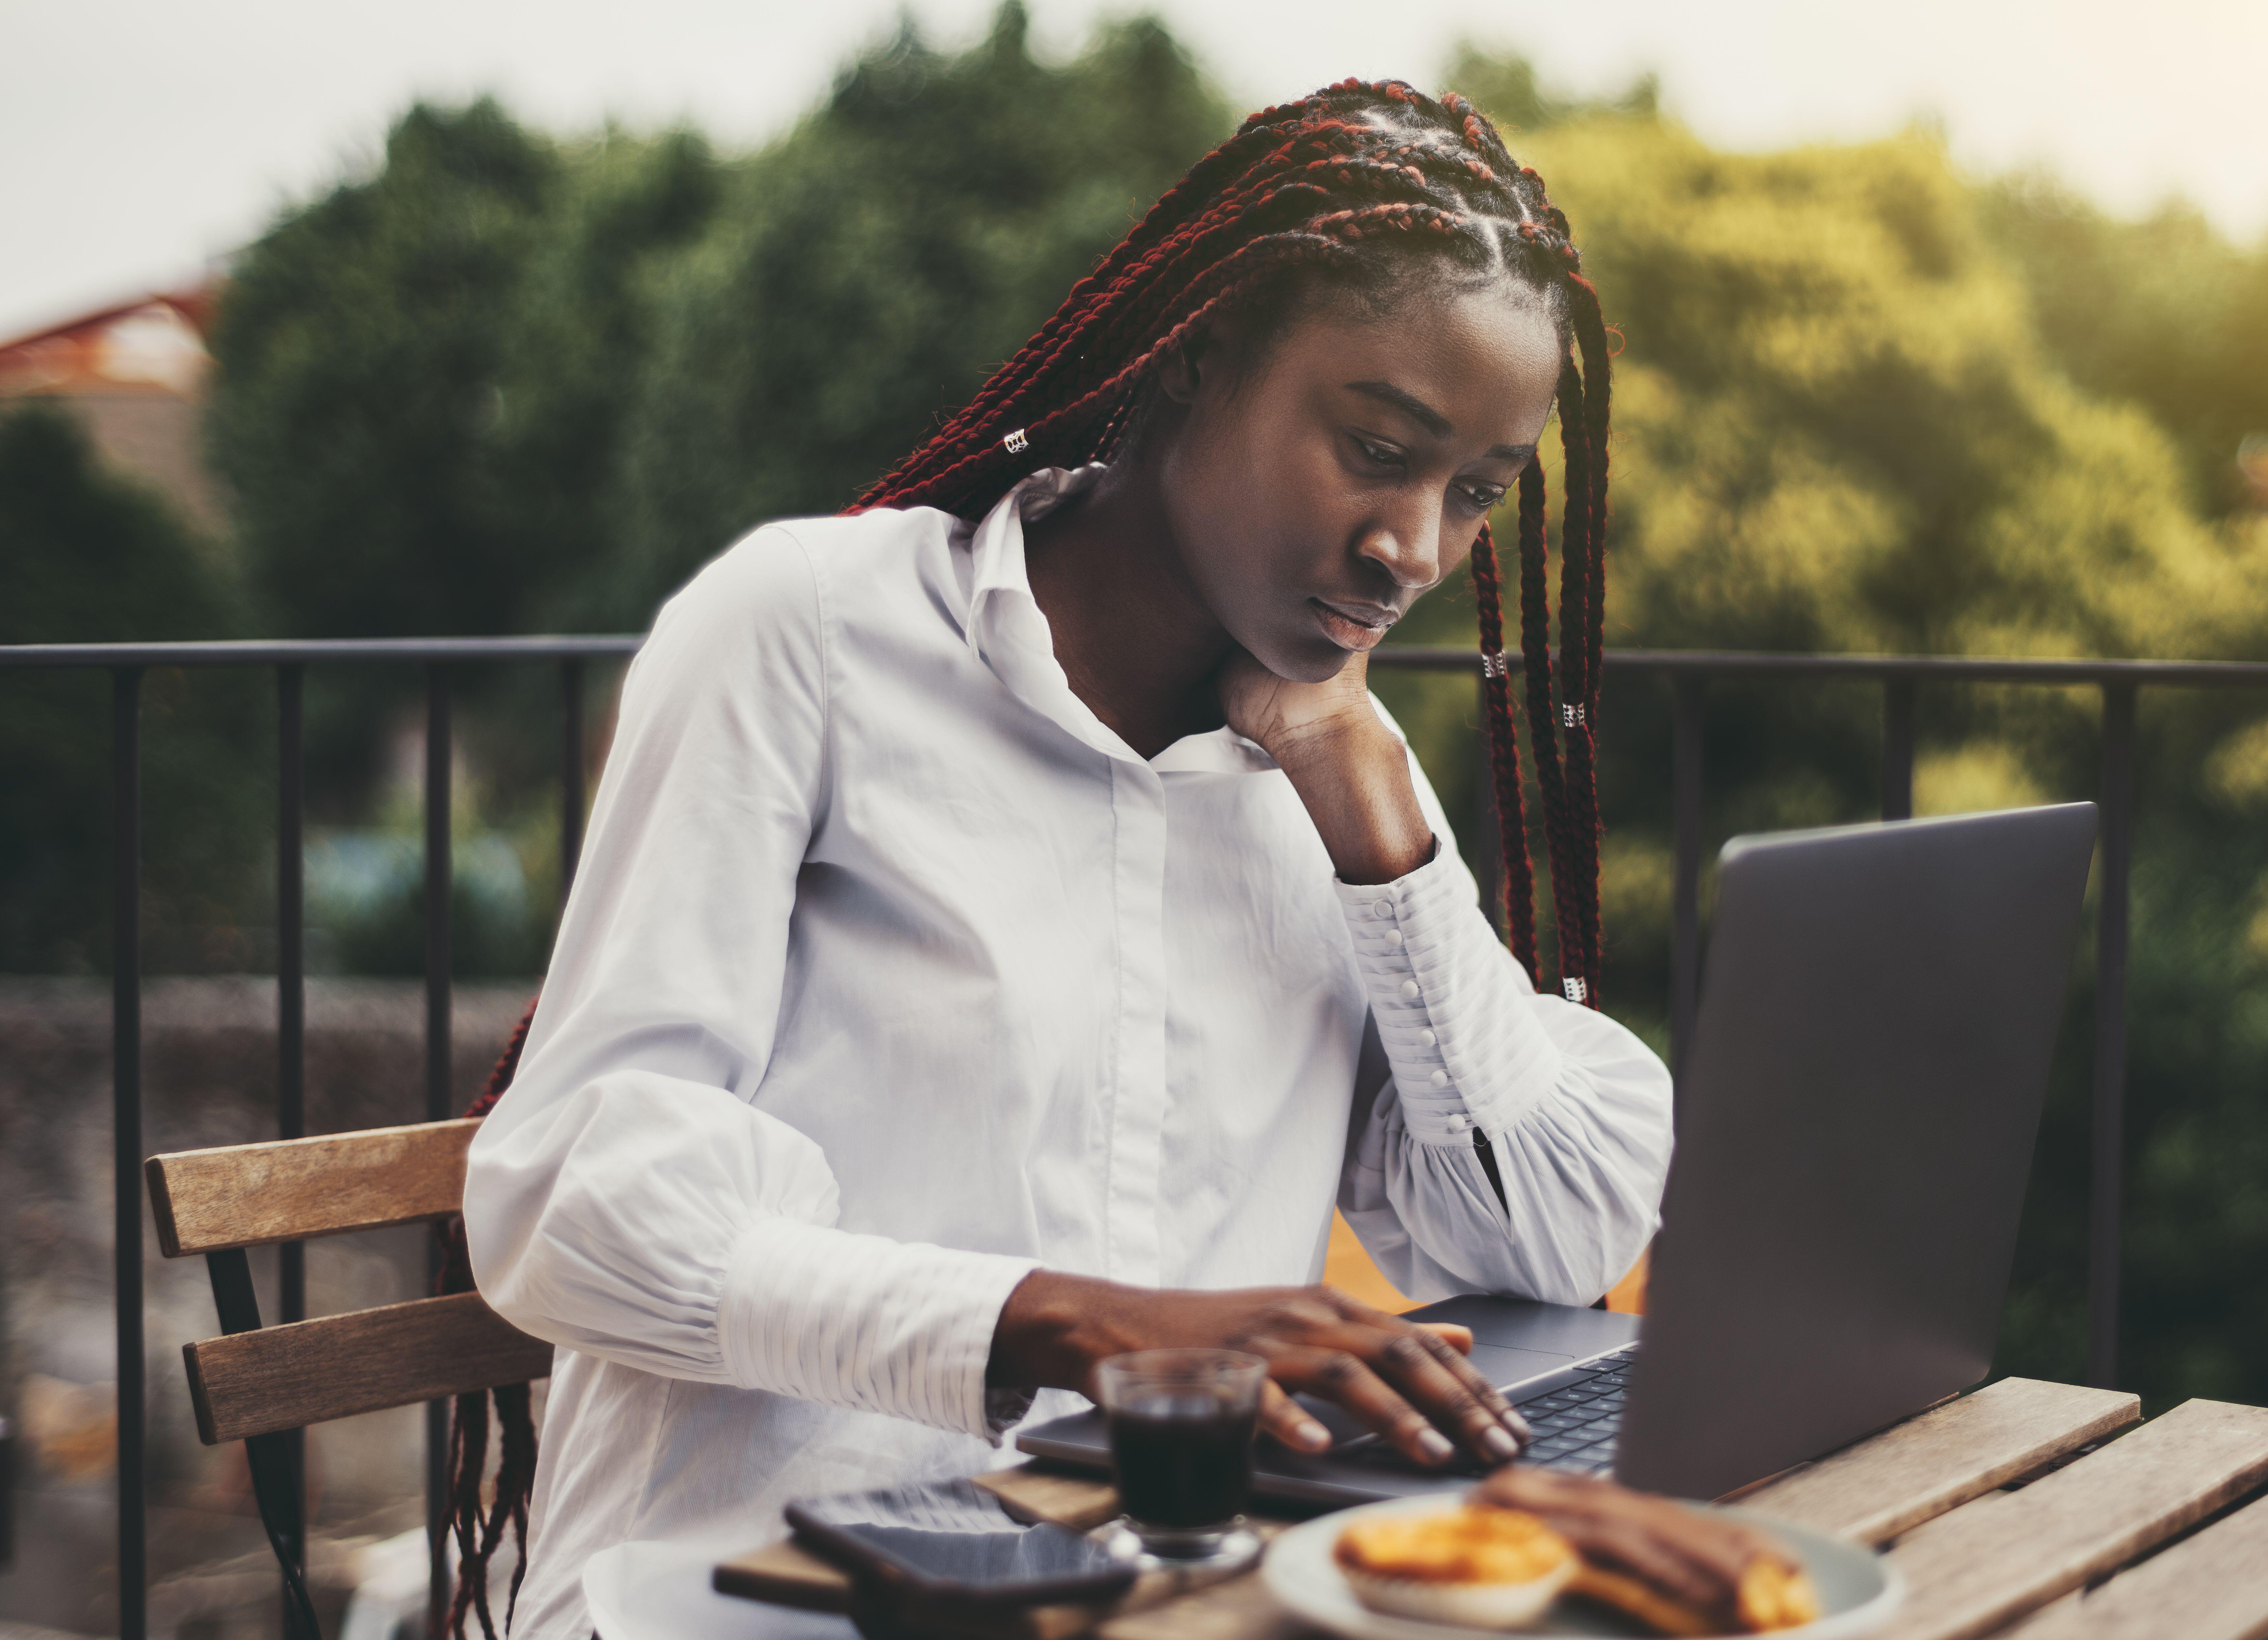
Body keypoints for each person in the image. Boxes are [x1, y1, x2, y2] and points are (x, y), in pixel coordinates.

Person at [460, 78, 1673, 1640]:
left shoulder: (1326, 789)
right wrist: (1086, 1328)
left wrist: (1378, 819)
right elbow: (564, 1198)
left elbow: (1554, 1241)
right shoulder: (810, 638)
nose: (1414, 549)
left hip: (1146, 1600)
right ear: (1195, 357)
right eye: (1377, 448)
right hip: (736, 1593)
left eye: (1475, 495)